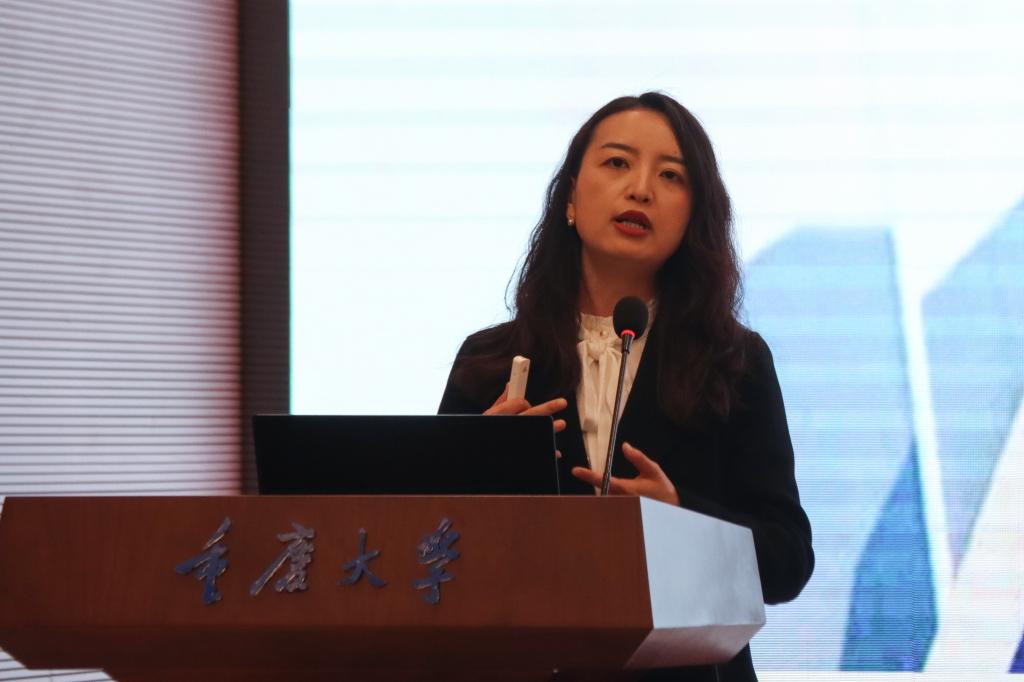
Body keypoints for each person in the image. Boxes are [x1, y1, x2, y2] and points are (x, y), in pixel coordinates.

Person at [438, 92, 814, 681]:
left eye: (671, 176)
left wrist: (682, 520)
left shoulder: (735, 363)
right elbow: (426, 552)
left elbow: (788, 561)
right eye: (617, 163)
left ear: (694, 216)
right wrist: (472, 466)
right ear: (569, 198)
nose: (640, 189)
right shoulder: (489, 362)